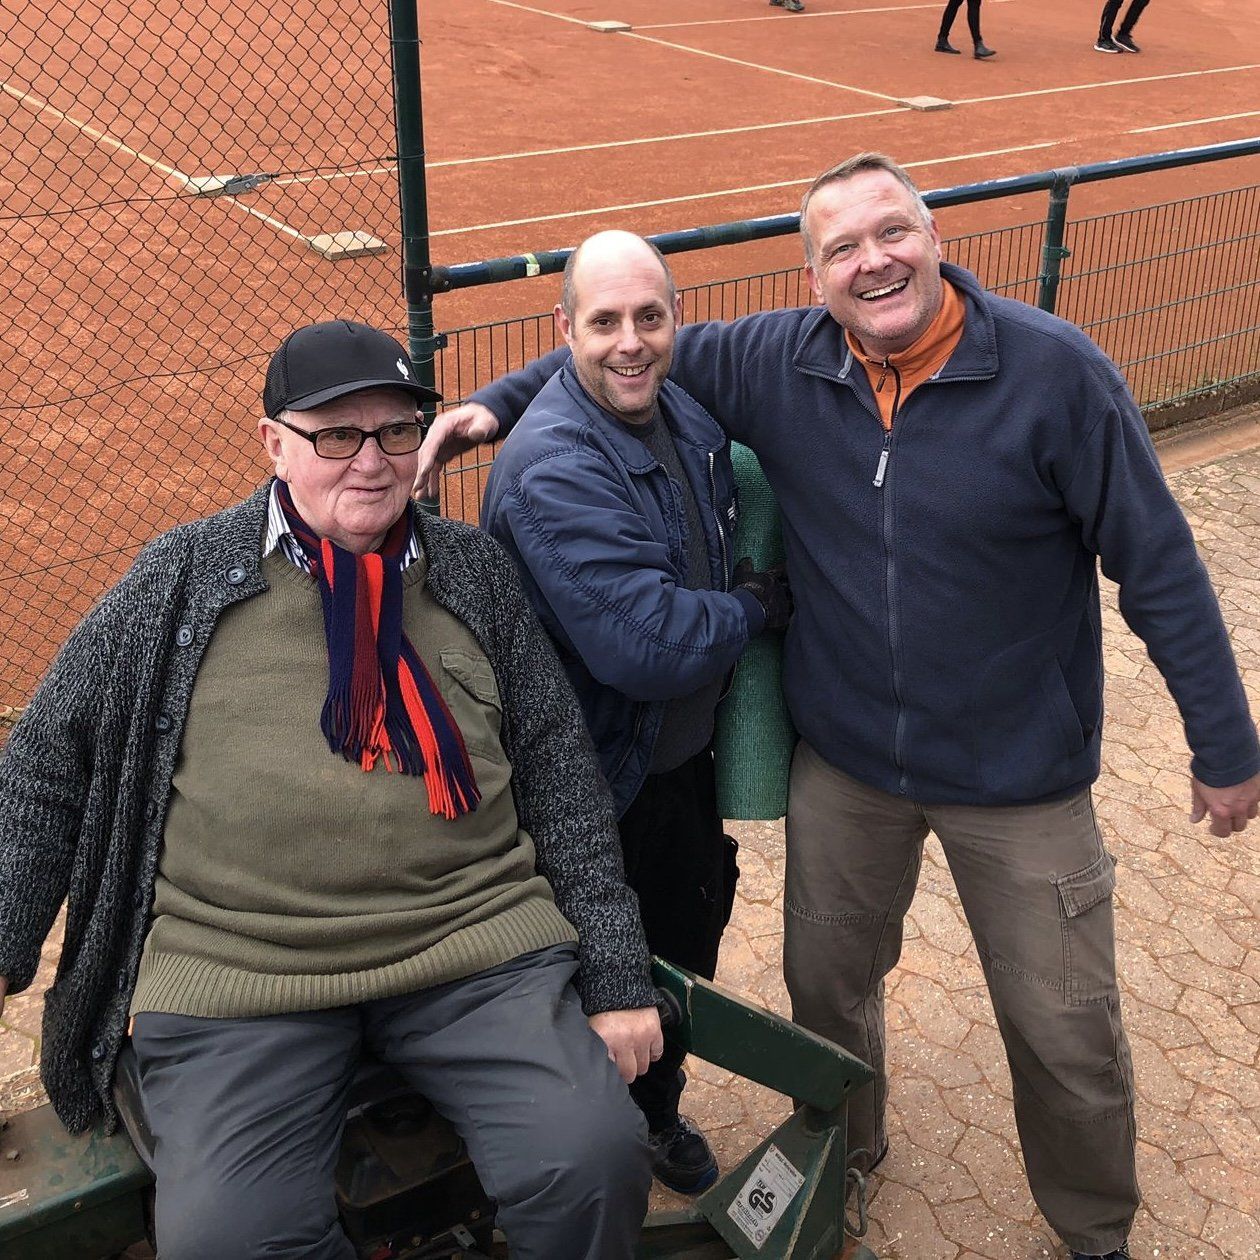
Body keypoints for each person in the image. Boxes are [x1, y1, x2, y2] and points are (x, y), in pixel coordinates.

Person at [414, 154, 1260, 1260]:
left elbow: (1158, 564)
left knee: (1065, 1029)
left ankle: (1095, 1230)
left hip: (1018, 775)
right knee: (826, 993)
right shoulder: (782, 358)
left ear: (936, 237)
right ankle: (846, 1154)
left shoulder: (1057, 375)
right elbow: (622, 346)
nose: (874, 263)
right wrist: (493, 406)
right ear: (813, 277)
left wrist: (1224, 740)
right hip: (849, 764)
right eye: (842, 249)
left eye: (893, 232)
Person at [0, 320, 664, 1260]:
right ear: (274, 443)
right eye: (337, 435)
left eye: (396, 431)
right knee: (227, 1239)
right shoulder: (180, 580)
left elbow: (560, 776)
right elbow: (44, 764)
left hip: (471, 947)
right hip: (244, 969)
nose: (372, 461)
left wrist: (615, 975)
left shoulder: (473, 574)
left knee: (592, 1157)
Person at [479, 231, 792, 1195]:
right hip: (595, 782)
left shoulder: (677, 402)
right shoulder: (554, 466)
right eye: (604, 320)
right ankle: (583, 1158)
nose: (630, 341)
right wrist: (753, 607)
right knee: (594, 980)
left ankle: (653, 1114)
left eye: (648, 317)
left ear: (674, 319)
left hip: (673, 766)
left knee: (682, 951)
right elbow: (646, 645)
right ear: (564, 327)